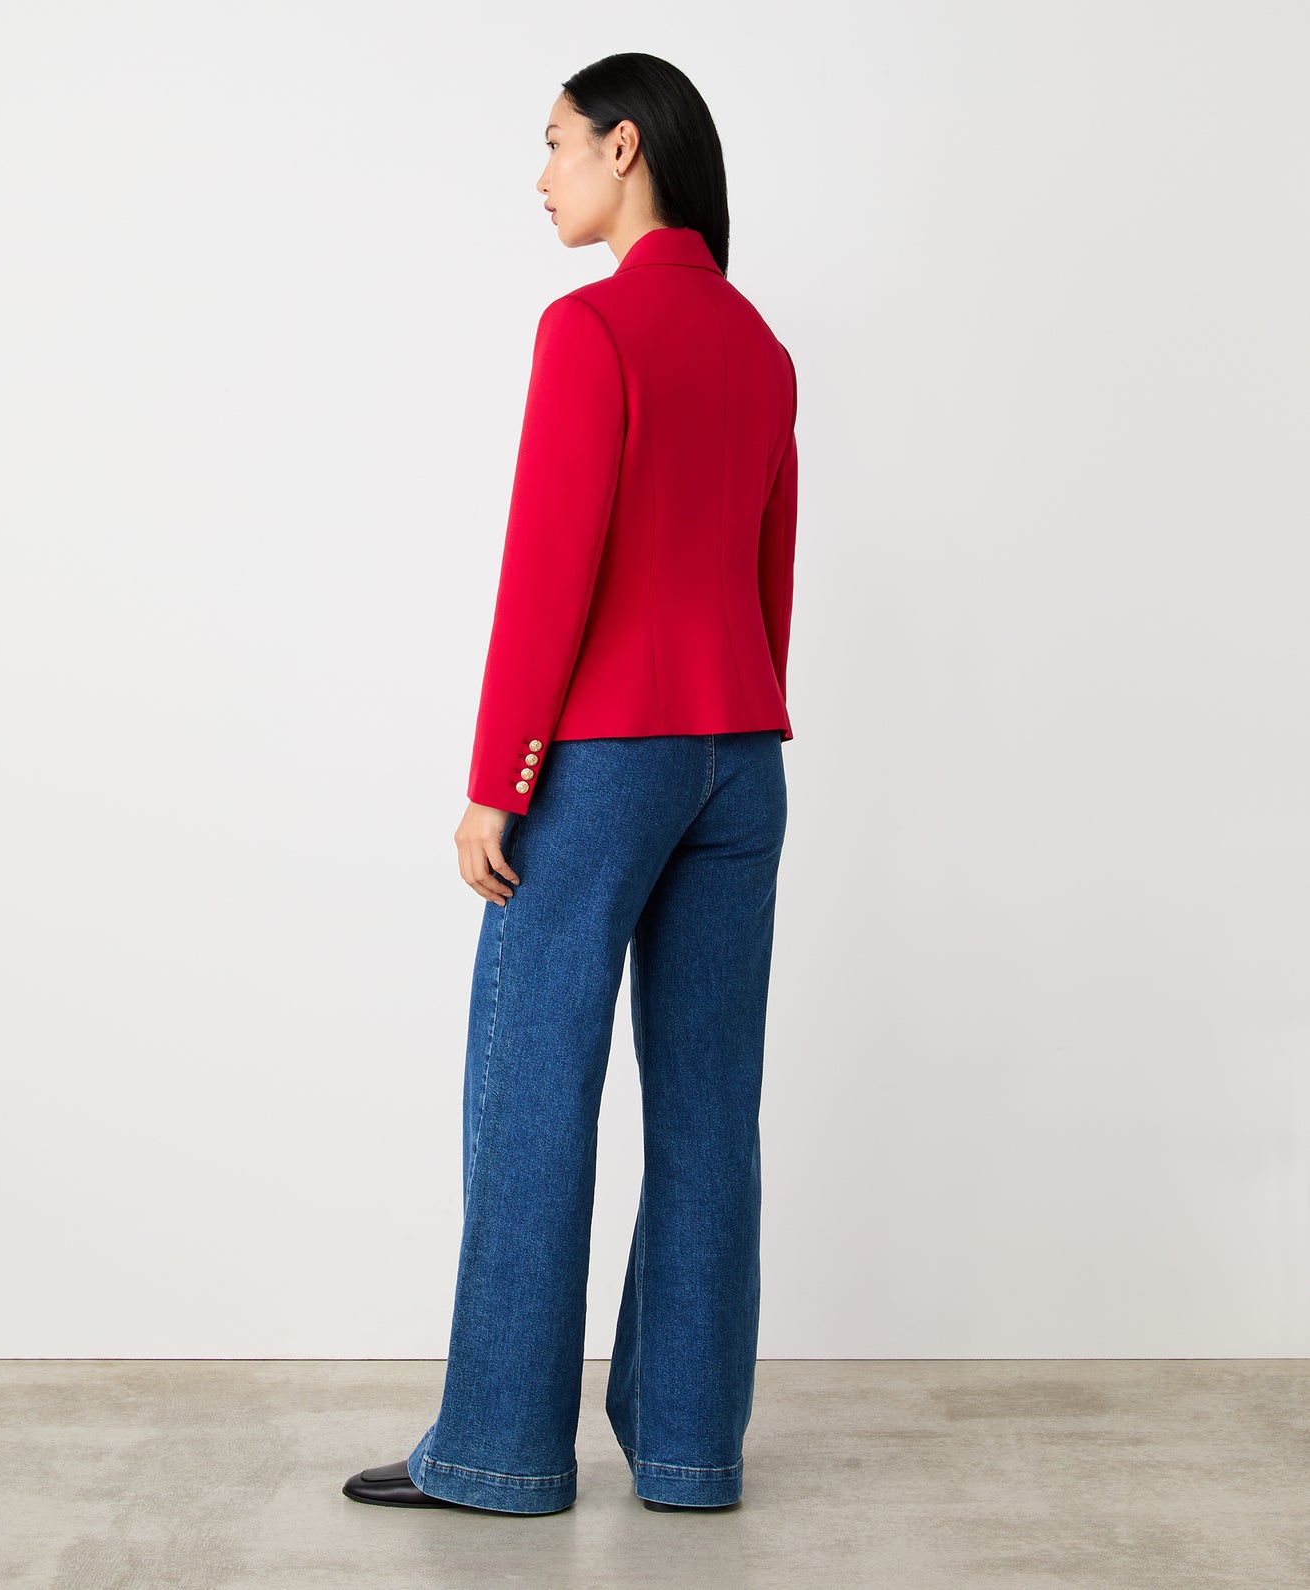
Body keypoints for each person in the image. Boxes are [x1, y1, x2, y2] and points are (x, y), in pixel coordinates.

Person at [344, 50, 798, 1516]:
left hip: (602, 759)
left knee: (531, 1084)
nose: (539, 177)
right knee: (711, 1110)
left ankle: (499, 1448)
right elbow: (768, 585)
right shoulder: (762, 348)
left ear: (623, 147)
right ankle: (689, 1451)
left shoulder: (590, 327)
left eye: (552, 144)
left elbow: (549, 574)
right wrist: (729, 727)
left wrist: (497, 781)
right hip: (741, 757)